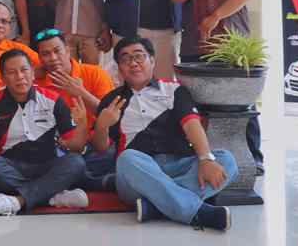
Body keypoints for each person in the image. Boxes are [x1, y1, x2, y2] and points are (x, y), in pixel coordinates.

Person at [95, 36, 237, 230]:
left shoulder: (174, 90)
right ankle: (198, 212)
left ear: (152, 61)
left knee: (226, 160)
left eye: (139, 56)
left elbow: (191, 125)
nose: (133, 63)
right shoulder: (111, 101)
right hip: (138, 175)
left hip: (179, 164)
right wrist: (102, 126)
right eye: (125, 59)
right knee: (127, 158)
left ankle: (155, 207)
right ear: (119, 67)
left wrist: (205, 159)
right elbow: (101, 148)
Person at [170, 0, 263, 170]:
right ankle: (203, 159)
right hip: (194, 45)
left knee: (240, 104)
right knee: (197, 106)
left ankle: (252, 159)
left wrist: (215, 16)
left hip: (232, 49)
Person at [0, 49, 90, 216]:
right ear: (3, 78)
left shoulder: (53, 100)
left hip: (46, 166)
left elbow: (76, 147)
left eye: (24, 70)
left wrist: (82, 125)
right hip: (10, 167)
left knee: (76, 162)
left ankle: (16, 201)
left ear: (32, 73)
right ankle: (51, 196)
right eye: (12, 72)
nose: (20, 76)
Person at [32, 27, 116, 190]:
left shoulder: (95, 73)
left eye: (57, 51)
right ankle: (95, 182)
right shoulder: (36, 83)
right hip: (60, 148)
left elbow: (111, 116)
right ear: (40, 58)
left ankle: (68, 181)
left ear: (67, 50)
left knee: (113, 154)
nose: (53, 58)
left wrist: (81, 93)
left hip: (95, 146)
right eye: (46, 54)